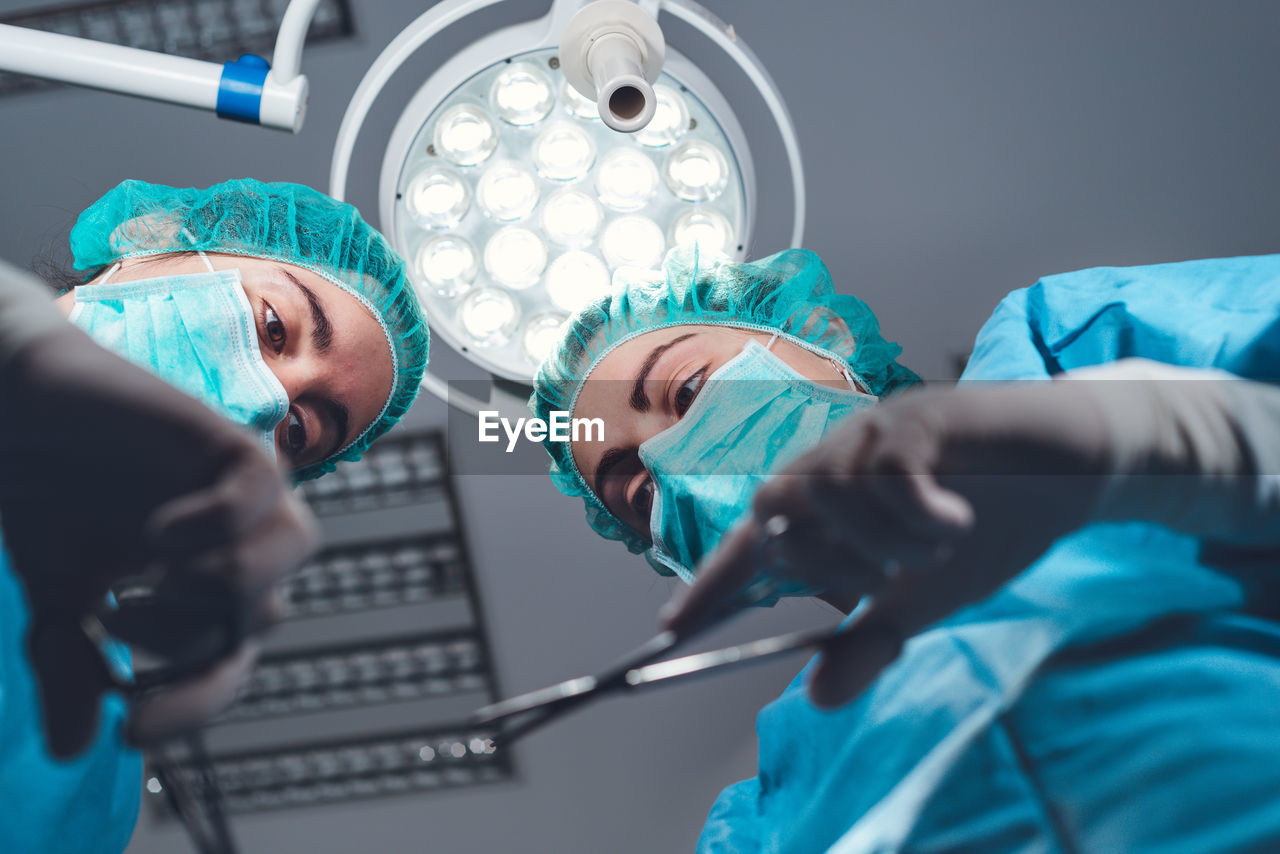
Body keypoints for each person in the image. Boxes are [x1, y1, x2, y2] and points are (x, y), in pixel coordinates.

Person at [530, 246, 1280, 852]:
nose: (670, 460)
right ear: (672, 557)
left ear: (823, 335)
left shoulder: (1066, 347)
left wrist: (1178, 435)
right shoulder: (762, 823)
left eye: (688, 390)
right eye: (638, 494)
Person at [0, 178, 429, 853]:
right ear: (153, 238)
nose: (265, 399)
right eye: (274, 327)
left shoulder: (89, 753)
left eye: (298, 431)